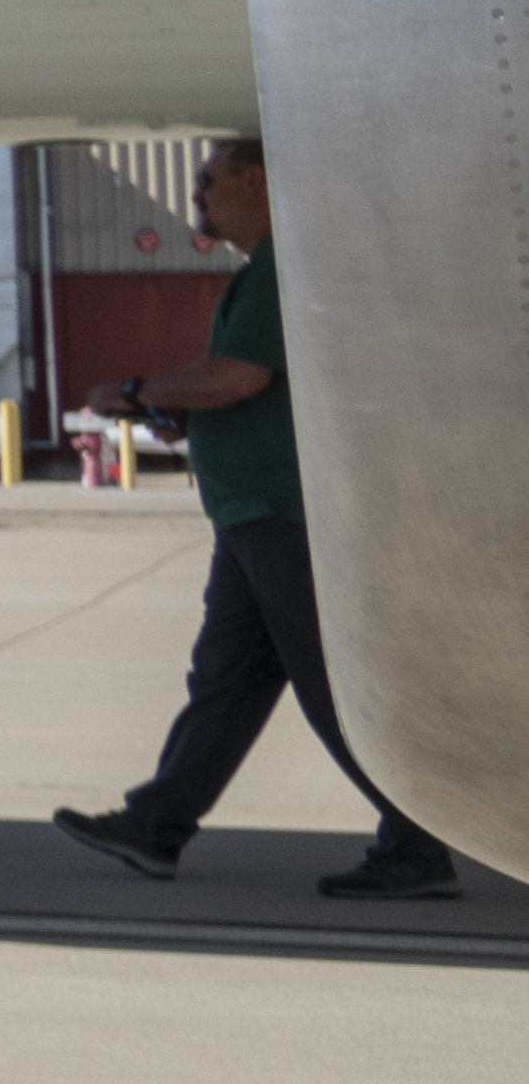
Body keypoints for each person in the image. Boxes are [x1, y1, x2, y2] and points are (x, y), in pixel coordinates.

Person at [57, 135, 469, 901]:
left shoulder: (283, 264)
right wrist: (176, 409)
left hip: (281, 517)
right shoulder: (267, 271)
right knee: (227, 680)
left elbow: (238, 376)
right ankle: (156, 826)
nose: (196, 195)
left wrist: (139, 386)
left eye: (207, 178)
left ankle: (418, 841)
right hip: (253, 517)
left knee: (328, 688)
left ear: (256, 177)